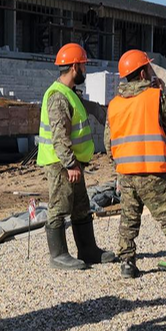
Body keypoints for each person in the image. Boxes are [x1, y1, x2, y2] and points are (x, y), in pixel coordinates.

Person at [105, 50, 166, 278]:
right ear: (143, 72)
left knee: (128, 219)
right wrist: (161, 90)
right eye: (149, 68)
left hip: (126, 173)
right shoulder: (154, 96)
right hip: (152, 170)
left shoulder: (114, 105)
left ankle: (127, 263)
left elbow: (107, 142)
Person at [36, 42, 115, 270]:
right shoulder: (58, 97)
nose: (85, 71)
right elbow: (59, 136)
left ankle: (88, 250)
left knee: (81, 205)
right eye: (83, 66)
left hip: (72, 162)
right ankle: (58, 254)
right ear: (74, 67)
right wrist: (70, 164)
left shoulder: (69, 94)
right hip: (61, 163)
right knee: (59, 207)